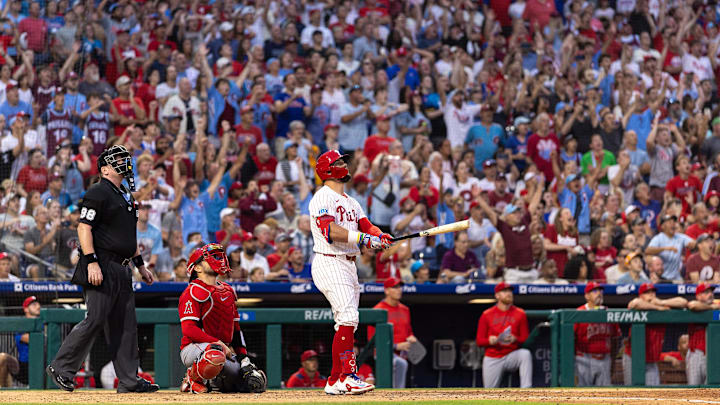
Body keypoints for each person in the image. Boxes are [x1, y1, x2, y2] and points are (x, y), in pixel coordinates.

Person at [46, 145, 158, 393]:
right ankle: (62, 367)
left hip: (123, 267)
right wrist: (92, 261)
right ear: (105, 169)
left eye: (124, 158)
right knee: (95, 318)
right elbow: (83, 228)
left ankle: (129, 380)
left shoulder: (125, 195)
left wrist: (141, 265)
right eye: (116, 160)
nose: (123, 162)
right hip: (102, 263)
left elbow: (129, 236)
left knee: (126, 325)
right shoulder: (98, 191)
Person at [309, 150, 392, 395]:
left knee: (347, 323)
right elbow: (331, 232)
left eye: (344, 161)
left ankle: (335, 380)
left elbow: (367, 226)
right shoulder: (321, 197)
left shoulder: (351, 201)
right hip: (329, 260)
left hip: (348, 264)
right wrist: (363, 238)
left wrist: (378, 237)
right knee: (348, 318)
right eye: (339, 162)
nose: (345, 165)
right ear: (327, 169)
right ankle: (347, 376)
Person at [178, 243, 267, 393]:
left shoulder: (228, 291)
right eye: (211, 258)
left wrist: (243, 358)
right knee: (215, 352)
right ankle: (192, 377)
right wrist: (217, 342)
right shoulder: (192, 291)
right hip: (193, 349)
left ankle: (213, 382)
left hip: (223, 351)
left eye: (219, 257)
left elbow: (236, 330)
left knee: (252, 383)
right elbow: (189, 330)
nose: (218, 260)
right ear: (197, 268)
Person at [474, 176, 543, 283]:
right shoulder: (504, 226)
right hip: (514, 273)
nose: (518, 214)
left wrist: (540, 187)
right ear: (507, 216)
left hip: (530, 271)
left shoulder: (524, 221)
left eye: (519, 212)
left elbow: (533, 205)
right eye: (514, 213)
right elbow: (490, 212)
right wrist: (478, 198)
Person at [623, 283, 688, 386]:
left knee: (652, 393)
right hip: (633, 358)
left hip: (651, 361)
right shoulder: (638, 304)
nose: (651, 294)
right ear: (641, 296)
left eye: (653, 292)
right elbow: (635, 303)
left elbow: (683, 302)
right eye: (647, 293)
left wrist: (661, 302)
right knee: (632, 393)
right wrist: (657, 308)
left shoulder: (662, 305)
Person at [476, 282, 532, 388]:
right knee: (489, 394)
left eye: (510, 291)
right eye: (504, 291)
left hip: (511, 355)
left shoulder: (520, 313)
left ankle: (526, 391)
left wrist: (515, 338)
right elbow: (479, 341)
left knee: (525, 354)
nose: (509, 294)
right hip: (493, 356)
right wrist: (489, 340)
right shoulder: (487, 314)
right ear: (497, 295)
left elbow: (525, 338)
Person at [367, 277, 417, 388]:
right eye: (395, 287)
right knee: (400, 364)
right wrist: (395, 346)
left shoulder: (405, 309)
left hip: (404, 352)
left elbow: (408, 331)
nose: (399, 290)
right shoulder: (377, 310)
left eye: (400, 287)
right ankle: (396, 396)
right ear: (387, 291)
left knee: (407, 362)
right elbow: (372, 340)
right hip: (383, 354)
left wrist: (411, 337)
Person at [574, 282, 620, 386]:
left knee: (603, 396)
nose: (599, 293)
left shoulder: (609, 312)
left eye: (600, 291)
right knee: (583, 395)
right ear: (587, 296)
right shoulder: (579, 313)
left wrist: (612, 360)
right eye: (594, 291)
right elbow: (570, 339)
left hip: (605, 358)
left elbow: (615, 339)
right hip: (583, 358)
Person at [0, 296, 40, 387]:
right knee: (2, 357)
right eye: (34, 304)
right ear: (26, 309)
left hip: (43, 366)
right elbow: (30, 339)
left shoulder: (45, 323)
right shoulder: (21, 324)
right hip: (24, 367)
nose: (38, 306)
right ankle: (2, 390)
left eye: (38, 304)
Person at [645, 214, 695, 282]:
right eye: (669, 222)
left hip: (676, 277)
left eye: (674, 222)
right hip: (662, 277)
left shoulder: (679, 237)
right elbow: (648, 251)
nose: (673, 224)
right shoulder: (659, 238)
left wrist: (692, 244)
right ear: (662, 226)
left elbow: (694, 243)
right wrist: (665, 249)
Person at [686, 283, 719, 385]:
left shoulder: (717, 305)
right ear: (698, 296)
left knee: (712, 389)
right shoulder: (695, 306)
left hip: (714, 354)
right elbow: (693, 305)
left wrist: (714, 306)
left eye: (711, 292)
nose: (710, 294)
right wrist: (711, 307)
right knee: (693, 389)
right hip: (696, 353)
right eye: (706, 292)